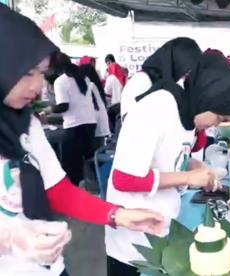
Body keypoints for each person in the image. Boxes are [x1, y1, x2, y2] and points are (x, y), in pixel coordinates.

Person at [0, 6, 165, 276]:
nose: (38, 85)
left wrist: (118, 215)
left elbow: (58, 190)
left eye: (42, 72)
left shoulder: (25, 124)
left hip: (50, 269)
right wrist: (8, 241)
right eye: (28, 72)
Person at [106, 51, 230, 276]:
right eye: (219, 118)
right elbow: (124, 178)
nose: (215, 125)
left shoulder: (186, 113)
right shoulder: (157, 108)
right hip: (133, 240)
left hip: (161, 228)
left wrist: (192, 166)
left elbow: (167, 157)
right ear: (206, 98)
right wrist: (188, 178)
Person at [46, 53, 98, 187]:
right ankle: (93, 187)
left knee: (72, 164)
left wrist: (48, 111)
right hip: (90, 122)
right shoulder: (83, 77)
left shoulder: (61, 81)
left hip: (74, 125)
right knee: (89, 158)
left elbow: (64, 106)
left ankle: (75, 190)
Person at [120, 37, 202, 119]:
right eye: (187, 70)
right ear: (177, 62)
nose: (188, 75)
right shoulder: (141, 80)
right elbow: (132, 122)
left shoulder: (172, 83)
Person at [80, 64, 111, 149]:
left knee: (92, 153)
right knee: (99, 150)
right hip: (102, 123)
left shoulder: (89, 85)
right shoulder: (97, 85)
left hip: (94, 123)